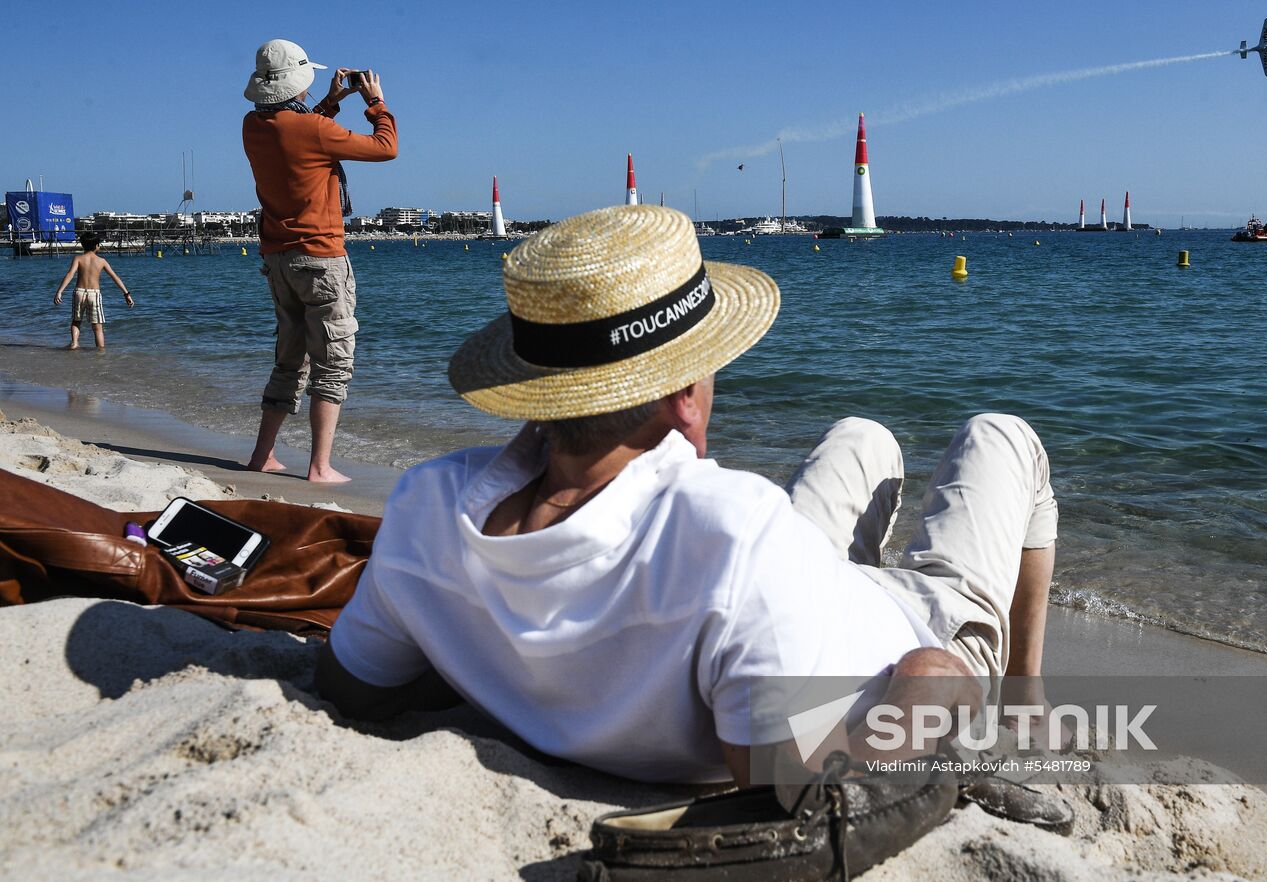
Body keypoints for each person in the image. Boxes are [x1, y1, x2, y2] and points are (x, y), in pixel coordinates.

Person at [315, 206, 1058, 785]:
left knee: (863, 436)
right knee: (1002, 435)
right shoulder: (732, 535)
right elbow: (804, 791)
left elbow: (359, 690)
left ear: (537, 391)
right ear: (683, 400)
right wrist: (931, 684)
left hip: (794, 598)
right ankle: (1023, 700)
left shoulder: (427, 510)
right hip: (913, 626)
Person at [241, 39, 398, 483]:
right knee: (332, 362)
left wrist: (329, 102)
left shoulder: (253, 125)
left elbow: (299, 133)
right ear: (299, 86)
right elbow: (386, 147)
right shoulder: (312, 130)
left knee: (289, 360)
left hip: (278, 260)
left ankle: (262, 456)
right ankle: (319, 467)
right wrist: (374, 102)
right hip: (321, 258)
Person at [52, 233, 133, 350]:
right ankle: (100, 350)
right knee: (97, 327)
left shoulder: (78, 259)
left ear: (83, 245)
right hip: (94, 294)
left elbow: (70, 274)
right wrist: (126, 294)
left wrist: (60, 291)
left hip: (79, 292)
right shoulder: (102, 261)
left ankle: (74, 343)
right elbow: (115, 277)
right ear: (97, 246)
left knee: (76, 321)